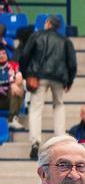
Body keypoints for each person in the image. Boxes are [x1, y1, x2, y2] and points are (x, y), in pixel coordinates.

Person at [20, 15, 76, 159]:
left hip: (38, 76)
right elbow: (72, 63)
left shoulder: (36, 36)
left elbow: (25, 55)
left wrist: (26, 74)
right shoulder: (65, 41)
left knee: (36, 107)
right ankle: (60, 139)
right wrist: (69, 80)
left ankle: (35, 142)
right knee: (59, 105)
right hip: (59, 77)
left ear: (48, 23)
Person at [0, 48, 24, 130]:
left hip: (8, 98)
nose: (1, 56)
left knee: (19, 85)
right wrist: (11, 84)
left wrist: (14, 84)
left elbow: (19, 78)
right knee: (13, 86)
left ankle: (12, 119)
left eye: (3, 53)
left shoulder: (13, 65)